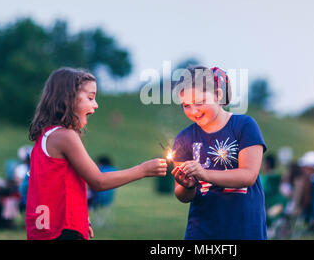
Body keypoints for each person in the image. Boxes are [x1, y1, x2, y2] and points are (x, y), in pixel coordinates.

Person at [25, 67, 167, 240]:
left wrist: (81, 219)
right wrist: (143, 170)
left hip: (50, 229)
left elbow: (61, 187)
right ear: (68, 98)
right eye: (90, 98)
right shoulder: (65, 136)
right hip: (60, 233)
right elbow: (98, 181)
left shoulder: (47, 135)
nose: (96, 104)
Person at [171, 66, 267, 240]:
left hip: (244, 228)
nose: (193, 111)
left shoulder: (244, 125)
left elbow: (248, 175)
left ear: (217, 95)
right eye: (186, 105)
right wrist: (187, 185)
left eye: (199, 102)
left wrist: (204, 174)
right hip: (202, 230)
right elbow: (182, 195)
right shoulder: (184, 138)